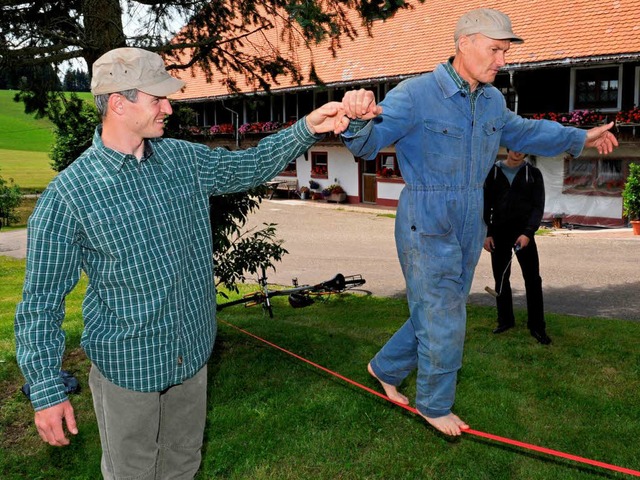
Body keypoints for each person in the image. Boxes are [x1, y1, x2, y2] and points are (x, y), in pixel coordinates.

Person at [14, 47, 353, 479]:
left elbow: (249, 165)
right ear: (119, 103)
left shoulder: (183, 160)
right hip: (128, 368)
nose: (169, 107)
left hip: (191, 357)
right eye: (158, 99)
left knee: (182, 465)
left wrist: (307, 128)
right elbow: (40, 303)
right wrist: (46, 390)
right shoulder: (69, 197)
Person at [339, 8, 618, 436]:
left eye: (505, 52)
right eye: (495, 50)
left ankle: (385, 367)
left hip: (471, 216)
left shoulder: (492, 101)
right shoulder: (414, 95)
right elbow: (368, 143)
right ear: (464, 43)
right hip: (427, 216)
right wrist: (356, 118)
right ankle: (435, 403)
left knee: (437, 308)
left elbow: (524, 132)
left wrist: (579, 137)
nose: (502, 61)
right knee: (444, 313)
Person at [483, 150, 551, 344]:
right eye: (514, 147)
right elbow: (486, 204)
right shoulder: (493, 172)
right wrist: (487, 234)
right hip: (498, 233)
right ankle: (505, 320)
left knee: (532, 280)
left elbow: (538, 206)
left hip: (523, 234)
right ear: (508, 148)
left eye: (522, 148)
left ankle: (537, 326)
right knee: (501, 278)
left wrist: (528, 232)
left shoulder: (533, 174)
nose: (517, 151)